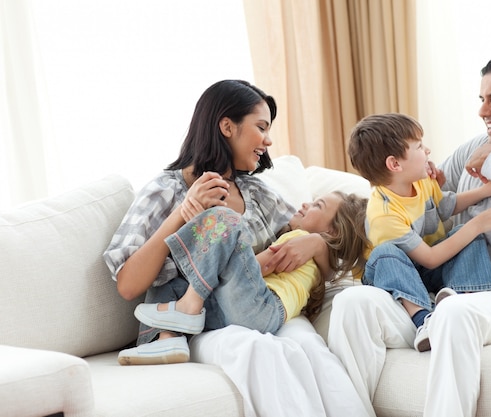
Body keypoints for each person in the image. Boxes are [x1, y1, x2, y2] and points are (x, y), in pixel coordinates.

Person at [327, 50, 491, 417]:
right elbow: (406, 197)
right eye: (482, 100)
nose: (483, 111)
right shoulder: (472, 150)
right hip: (437, 295)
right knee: (351, 303)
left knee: (454, 312)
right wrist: (325, 238)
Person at [103, 79, 372, 417]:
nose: (268, 140)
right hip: (200, 323)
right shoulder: (164, 190)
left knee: (310, 348)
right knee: (259, 351)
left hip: (255, 304)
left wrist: (317, 243)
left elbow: (332, 243)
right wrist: (182, 213)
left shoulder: (257, 192)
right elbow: (128, 284)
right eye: (261, 127)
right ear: (227, 126)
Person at [347, 113, 491, 352]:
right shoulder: (383, 215)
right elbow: (431, 257)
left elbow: (447, 207)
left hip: (426, 269)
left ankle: (465, 301)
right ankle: (424, 320)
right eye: (419, 146)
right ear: (395, 164)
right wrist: (477, 223)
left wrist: (487, 190)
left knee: (464, 235)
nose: (428, 150)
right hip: (395, 273)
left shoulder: (420, 180)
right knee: (385, 253)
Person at [130, 190, 369, 348]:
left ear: (334, 231)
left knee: (225, 219)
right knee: (171, 280)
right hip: (241, 314)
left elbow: (258, 266)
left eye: (318, 205)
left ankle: (187, 308)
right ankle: (166, 342)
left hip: (261, 308)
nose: (306, 204)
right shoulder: (319, 262)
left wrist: (217, 241)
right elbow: (330, 273)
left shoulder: (300, 238)